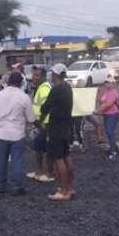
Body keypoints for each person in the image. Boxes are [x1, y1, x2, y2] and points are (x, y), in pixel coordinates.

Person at [0, 72, 36, 195]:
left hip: (1, 133)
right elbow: (31, 119)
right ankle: (17, 186)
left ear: (7, 82)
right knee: (16, 161)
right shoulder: (24, 97)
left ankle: (0, 186)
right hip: (17, 134)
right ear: (21, 83)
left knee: (0, 161)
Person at [40, 64, 75, 201]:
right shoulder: (67, 88)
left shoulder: (56, 90)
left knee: (58, 159)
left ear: (55, 75)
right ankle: (70, 188)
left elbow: (45, 108)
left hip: (57, 127)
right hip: (67, 127)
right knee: (67, 157)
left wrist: (41, 120)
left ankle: (64, 191)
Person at [26, 66, 54, 183]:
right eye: (33, 75)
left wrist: (41, 123)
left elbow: (46, 108)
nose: (34, 77)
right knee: (38, 148)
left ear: (43, 76)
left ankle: (48, 174)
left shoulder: (44, 88)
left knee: (46, 150)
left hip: (45, 124)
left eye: (37, 75)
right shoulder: (39, 87)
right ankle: (39, 172)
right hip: (40, 123)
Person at [93, 74, 119, 160]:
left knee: (110, 132)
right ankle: (112, 149)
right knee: (109, 133)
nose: (107, 84)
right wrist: (96, 93)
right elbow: (101, 101)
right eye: (106, 82)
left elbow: (107, 105)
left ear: (113, 83)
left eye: (109, 82)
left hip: (112, 114)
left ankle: (113, 152)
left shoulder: (113, 92)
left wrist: (98, 111)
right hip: (107, 115)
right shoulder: (106, 91)